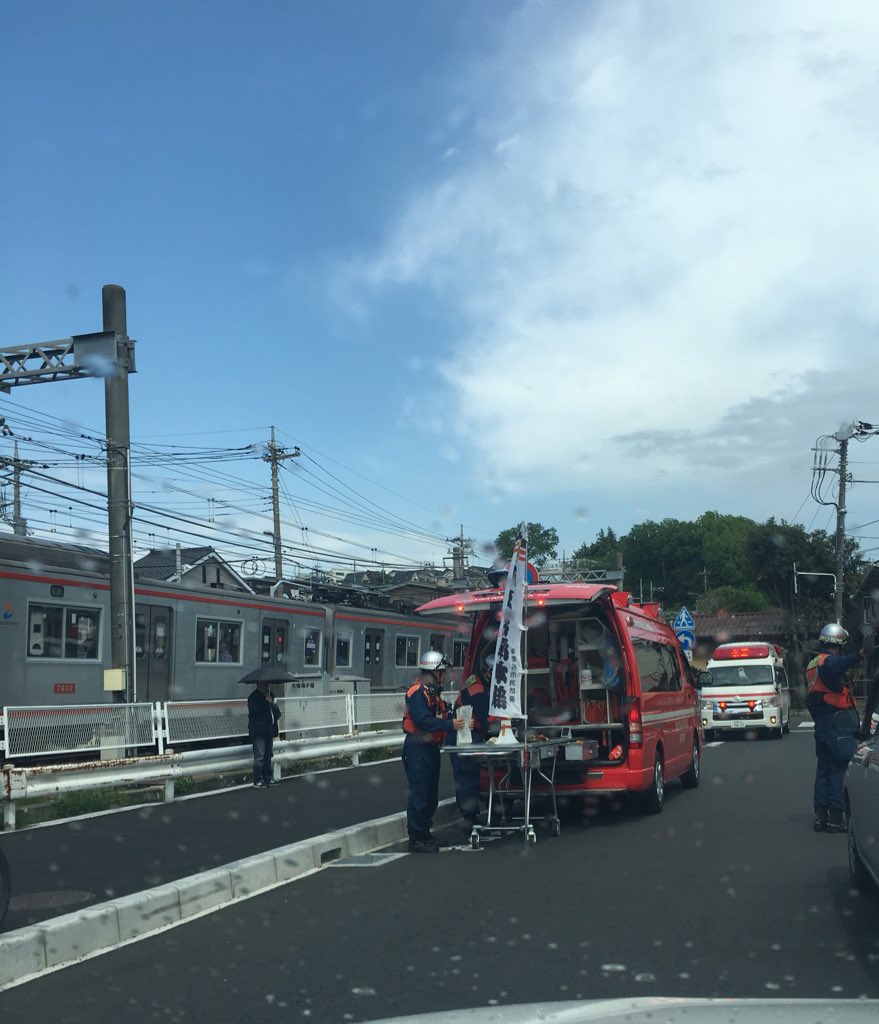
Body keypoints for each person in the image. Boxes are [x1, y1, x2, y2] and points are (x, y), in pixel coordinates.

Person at [805, 623, 868, 833]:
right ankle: (835, 817)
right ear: (838, 643)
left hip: (822, 722)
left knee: (823, 768)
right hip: (836, 720)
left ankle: (820, 817)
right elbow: (841, 663)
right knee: (839, 768)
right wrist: (861, 653)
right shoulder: (828, 662)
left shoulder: (813, 662)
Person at [402, 650, 465, 853]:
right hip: (417, 747)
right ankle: (416, 836)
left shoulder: (431, 692)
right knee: (419, 792)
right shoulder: (418, 692)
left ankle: (424, 833)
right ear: (434, 672)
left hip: (429, 747)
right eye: (442, 672)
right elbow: (422, 721)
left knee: (430, 793)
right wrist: (450, 725)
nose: (444, 676)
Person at [450, 655, 492, 828]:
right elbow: (487, 719)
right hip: (464, 734)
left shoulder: (480, 686)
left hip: (469, 732)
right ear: (488, 672)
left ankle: (472, 816)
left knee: (470, 775)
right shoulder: (477, 691)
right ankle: (470, 820)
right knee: (468, 775)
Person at [248, 678, 282, 788]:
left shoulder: (270, 695)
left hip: (269, 730)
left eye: (266, 684)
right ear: (258, 684)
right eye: (263, 684)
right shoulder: (253, 697)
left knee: (268, 756)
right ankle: (257, 779)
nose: (265, 686)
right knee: (260, 756)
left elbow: (277, 713)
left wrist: (272, 703)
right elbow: (254, 712)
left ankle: (267, 777)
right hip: (258, 731)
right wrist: (265, 702)